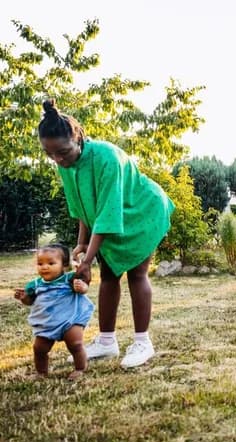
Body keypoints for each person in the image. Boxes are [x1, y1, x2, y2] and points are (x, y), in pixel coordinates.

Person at [37, 99, 175, 368]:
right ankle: (106, 341)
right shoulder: (66, 165)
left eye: (63, 152)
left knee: (136, 274)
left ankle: (142, 342)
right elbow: (84, 208)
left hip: (142, 211)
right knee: (110, 275)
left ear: (77, 137)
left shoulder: (107, 158)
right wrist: (81, 245)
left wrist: (88, 261)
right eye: (50, 154)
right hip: (113, 215)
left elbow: (107, 213)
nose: (58, 159)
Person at [14, 244, 95, 380]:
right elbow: (30, 302)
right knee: (39, 349)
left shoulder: (69, 279)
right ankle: (41, 372)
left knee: (75, 344)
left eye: (51, 263)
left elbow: (84, 287)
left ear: (63, 265)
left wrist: (82, 287)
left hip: (70, 319)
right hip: (47, 323)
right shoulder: (35, 284)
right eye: (40, 263)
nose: (45, 267)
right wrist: (24, 298)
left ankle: (80, 368)